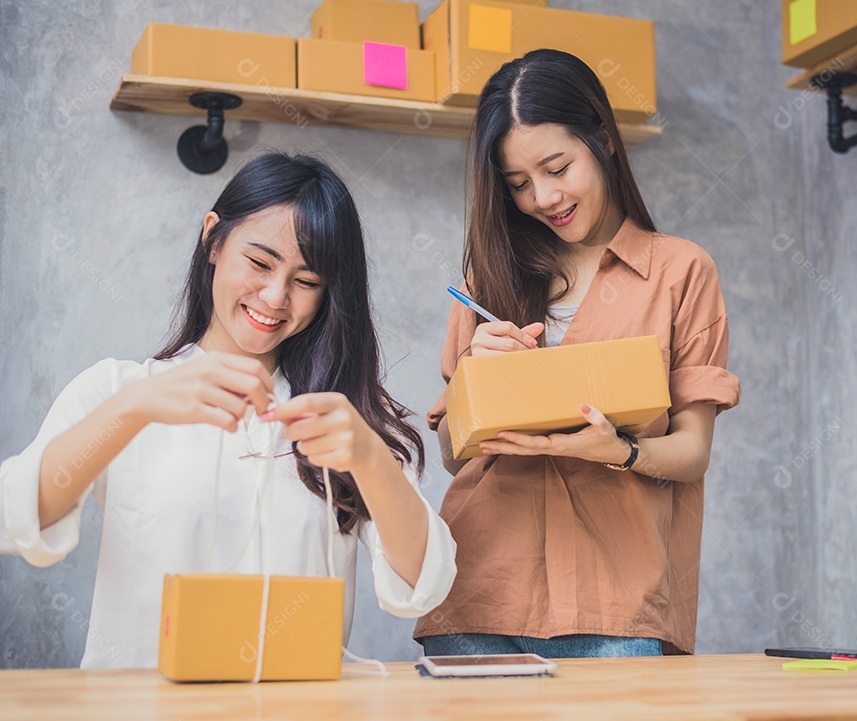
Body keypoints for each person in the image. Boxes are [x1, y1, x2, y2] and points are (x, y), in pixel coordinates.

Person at [0, 152, 456, 669]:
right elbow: (17, 520)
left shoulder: (340, 421)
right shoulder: (119, 389)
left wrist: (372, 461)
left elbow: (425, 583)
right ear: (214, 239)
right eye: (260, 263)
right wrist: (133, 409)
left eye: (306, 282)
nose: (276, 296)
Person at [415, 49, 741, 658]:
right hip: (479, 589)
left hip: (615, 603)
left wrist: (621, 451)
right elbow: (455, 459)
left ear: (603, 138)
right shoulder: (489, 280)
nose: (542, 197)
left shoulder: (681, 271)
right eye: (518, 184)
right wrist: (472, 383)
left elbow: (692, 452)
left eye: (557, 167)